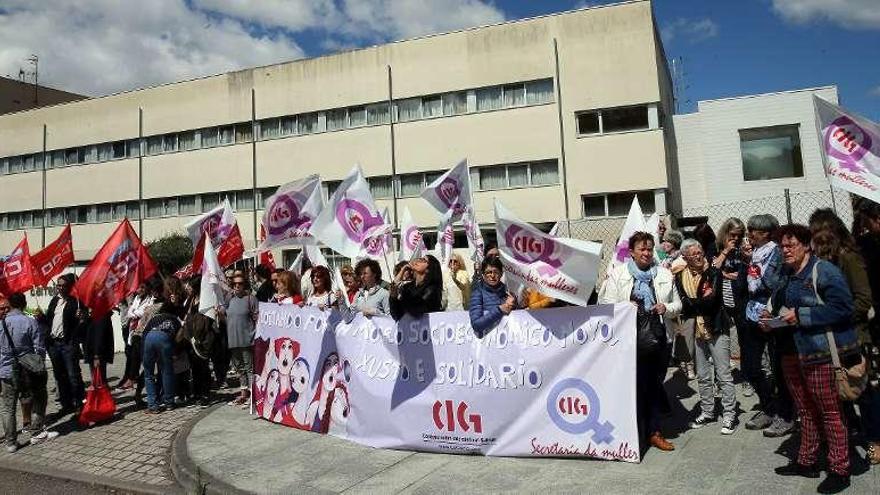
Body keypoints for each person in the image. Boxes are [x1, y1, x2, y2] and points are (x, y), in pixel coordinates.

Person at [763, 224, 856, 493]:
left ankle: (840, 468)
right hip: (790, 352)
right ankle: (807, 461)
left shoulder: (824, 271)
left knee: (830, 412)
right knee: (804, 410)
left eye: (791, 244)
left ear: (806, 245)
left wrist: (802, 316)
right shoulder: (785, 273)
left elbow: (843, 308)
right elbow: (778, 304)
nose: (786, 250)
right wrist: (770, 320)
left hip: (819, 354)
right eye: (782, 245)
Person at [599, 231, 682, 452]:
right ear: (632, 252)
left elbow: (678, 305)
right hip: (628, 341)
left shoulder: (664, 275)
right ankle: (633, 432)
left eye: (648, 249)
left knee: (654, 386)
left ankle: (654, 432)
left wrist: (666, 308)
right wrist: (626, 307)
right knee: (633, 387)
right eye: (641, 249)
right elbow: (605, 304)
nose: (646, 253)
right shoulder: (618, 274)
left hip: (659, 339)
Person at [810, 208, 879, 465]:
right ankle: (848, 433)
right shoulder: (820, 263)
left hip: (854, 336)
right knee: (840, 389)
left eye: (818, 231)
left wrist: (836, 314)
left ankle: (875, 439)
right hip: (829, 339)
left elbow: (863, 299)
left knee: (864, 389)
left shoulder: (849, 258)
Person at [674, 239, 738, 435]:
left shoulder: (714, 272)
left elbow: (712, 303)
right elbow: (683, 303)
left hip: (716, 327)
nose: (698, 255)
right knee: (702, 375)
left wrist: (693, 303)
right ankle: (708, 411)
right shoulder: (680, 275)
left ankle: (729, 414)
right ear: (685, 257)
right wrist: (696, 302)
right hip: (696, 330)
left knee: (723, 373)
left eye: (700, 250)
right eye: (693, 253)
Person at [741, 214, 794, 437]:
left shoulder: (776, 252)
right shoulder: (754, 252)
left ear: (766, 233)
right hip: (752, 313)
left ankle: (786, 413)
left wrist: (758, 273)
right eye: (750, 229)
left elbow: (778, 284)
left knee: (778, 367)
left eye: (754, 230)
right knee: (750, 368)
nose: (749, 233)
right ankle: (768, 405)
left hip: (771, 314)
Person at [1, 294, 59, 453]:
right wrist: (36, 363)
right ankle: (37, 432)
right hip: (28, 369)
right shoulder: (30, 322)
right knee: (39, 398)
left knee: (8, 407)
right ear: (24, 304)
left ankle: (11, 443)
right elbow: (39, 348)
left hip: (6, 371)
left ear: (10, 305)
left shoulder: (1, 323)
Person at [35, 273, 86, 417]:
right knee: (60, 376)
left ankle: (79, 404)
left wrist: (81, 317)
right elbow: (49, 321)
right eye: (58, 285)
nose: (60, 288)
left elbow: (83, 323)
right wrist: (41, 317)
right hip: (54, 344)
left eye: (63, 285)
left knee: (73, 375)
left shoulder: (75, 301)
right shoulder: (54, 300)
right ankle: (66, 404)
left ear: (70, 286)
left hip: (68, 344)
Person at [142, 279, 185, 414]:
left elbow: (144, 334)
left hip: (149, 337)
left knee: (148, 374)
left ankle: (153, 406)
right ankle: (169, 402)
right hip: (165, 340)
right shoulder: (175, 320)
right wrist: (175, 352)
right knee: (167, 371)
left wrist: (143, 356)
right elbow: (178, 338)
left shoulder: (155, 317)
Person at [221, 273, 258, 406]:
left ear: (245, 285)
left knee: (249, 367)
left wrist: (253, 333)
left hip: (246, 339)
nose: (237, 286)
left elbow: (257, 317)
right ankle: (243, 393)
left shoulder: (251, 299)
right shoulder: (229, 298)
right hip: (233, 339)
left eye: (240, 283)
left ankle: (253, 394)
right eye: (235, 284)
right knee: (239, 367)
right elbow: (225, 317)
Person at [181, 277, 215, 406]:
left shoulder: (206, 301)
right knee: (194, 368)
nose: (187, 287)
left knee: (203, 368)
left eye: (189, 286)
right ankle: (197, 393)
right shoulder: (190, 300)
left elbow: (205, 323)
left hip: (202, 340)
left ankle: (205, 394)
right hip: (191, 340)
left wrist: (198, 337)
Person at [117, 283, 153, 390]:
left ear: (147, 288)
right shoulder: (137, 298)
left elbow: (143, 313)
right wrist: (134, 313)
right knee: (133, 356)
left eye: (143, 287)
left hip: (143, 332)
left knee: (141, 359)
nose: (140, 290)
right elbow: (129, 312)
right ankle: (133, 380)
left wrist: (134, 313)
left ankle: (135, 379)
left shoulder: (150, 299)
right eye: (138, 287)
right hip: (133, 331)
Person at [469, 257, 516, 337]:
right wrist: (499, 310)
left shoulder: (508, 291)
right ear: (483, 275)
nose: (492, 275)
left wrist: (515, 305)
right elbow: (476, 325)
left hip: (507, 341)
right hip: (488, 344)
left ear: (501, 274)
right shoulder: (478, 292)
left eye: (496, 272)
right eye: (488, 272)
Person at [390, 255, 444, 321]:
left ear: (429, 269)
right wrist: (393, 297)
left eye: (423, 260)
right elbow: (396, 315)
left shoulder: (431, 289)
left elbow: (415, 310)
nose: (418, 261)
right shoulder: (407, 287)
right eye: (419, 258)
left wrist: (401, 299)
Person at [83, 312, 114, 385]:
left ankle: (102, 394)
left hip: (98, 353)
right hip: (92, 351)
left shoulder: (101, 317)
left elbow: (100, 337)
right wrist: (82, 319)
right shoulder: (91, 317)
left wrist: (97, 355)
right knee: (97, 378)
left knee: (100, 379)